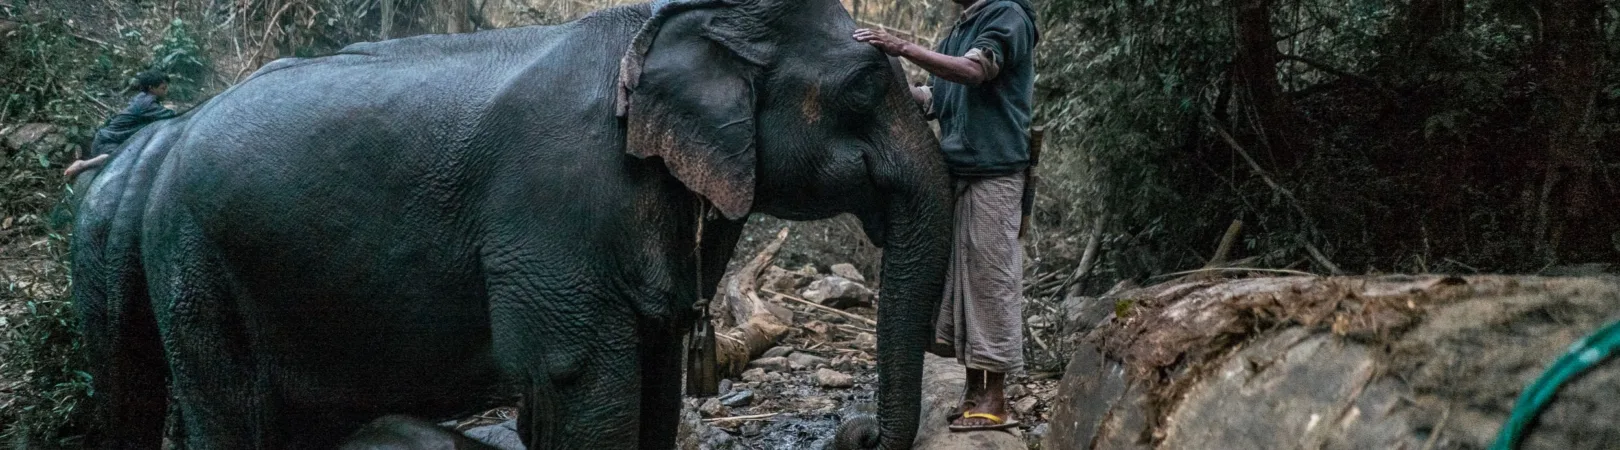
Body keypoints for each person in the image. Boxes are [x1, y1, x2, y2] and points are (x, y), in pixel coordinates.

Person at [854, 0, 1038, 433]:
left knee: (990, 281)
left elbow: (975, 72)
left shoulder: (1007, 15)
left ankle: (995, 400)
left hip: (995, 172)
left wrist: (902, 47)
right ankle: (973, 392)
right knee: (960, 284)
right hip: (956, 172)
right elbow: (941, 96)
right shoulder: (960, 28)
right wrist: (893, 87)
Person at [63, 70, 178, 179]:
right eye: (163, 88)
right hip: (107, 142)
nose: (166, 91)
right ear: (151, 88)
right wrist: (170, 110)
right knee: (115, 159)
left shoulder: (143, 98)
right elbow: (170, 115)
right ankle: (82, 164)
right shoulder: (147, 104)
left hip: (107, 137)